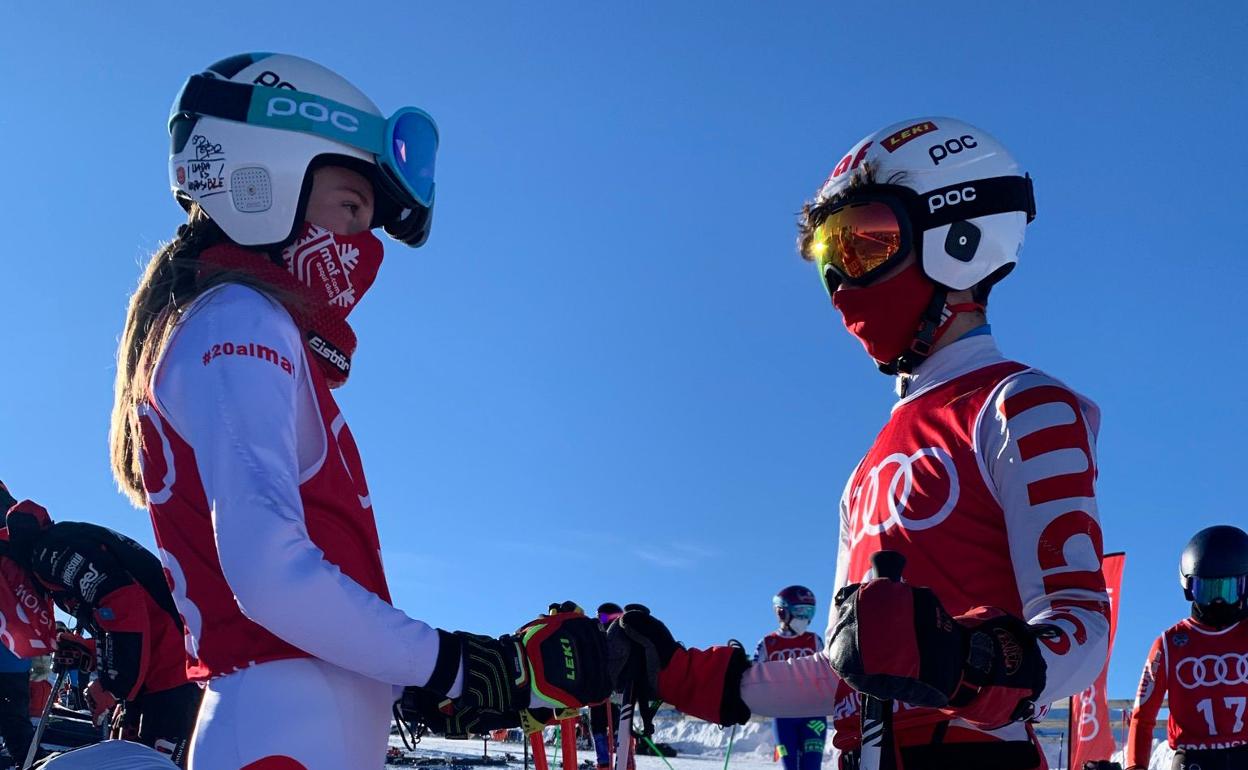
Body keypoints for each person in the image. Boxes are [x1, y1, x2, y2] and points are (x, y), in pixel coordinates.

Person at [106, 53, 612, 770]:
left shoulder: (240, 324)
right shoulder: (239, 320)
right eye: (351, 207)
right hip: (283, 729)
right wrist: (461, 665)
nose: (360, 248)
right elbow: (270, 573)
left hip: (294, 725)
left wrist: (427, 676)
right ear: (267, 170)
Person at [604, 118, 1111, 770]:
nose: (842, 284)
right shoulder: (864, 470)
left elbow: (1082, 626)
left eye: (867, 243)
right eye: (828, 259)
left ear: (959, 238)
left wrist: (975, 661)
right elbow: (844, 668)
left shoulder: (1022, 404)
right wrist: (682, 675)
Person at [0, 492, 199, 766]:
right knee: (134, 757)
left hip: (172, 672)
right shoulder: (70, 543)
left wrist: (112, 684)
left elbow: (120, 600)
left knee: (154, 762)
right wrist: (90, 652)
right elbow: (130, 613)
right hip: (156, 673)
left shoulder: (49, 551)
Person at [1126, 525, 1248, 770]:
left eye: (1227, 590)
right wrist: (1134, 766)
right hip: (1193, 761)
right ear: (1188, 588)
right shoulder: (1171, 644)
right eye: (1207, 591)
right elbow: (1143, 715)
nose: (1217, 601)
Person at [754, 587, 824, 770]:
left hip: (813, 713)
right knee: (790, 765)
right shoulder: (768, 643)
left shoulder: (814, 640)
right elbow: (753, 676)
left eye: (810, 611)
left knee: (812, 765)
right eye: (800, 611)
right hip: (783, 714)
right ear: (782, 611)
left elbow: (827, 671)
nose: (805, 617)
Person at [0, 640, 33, 770]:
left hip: (14, 662)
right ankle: (26, 758)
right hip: (16, 662)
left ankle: (26, 759)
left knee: (14, 718)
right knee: (15, 718)